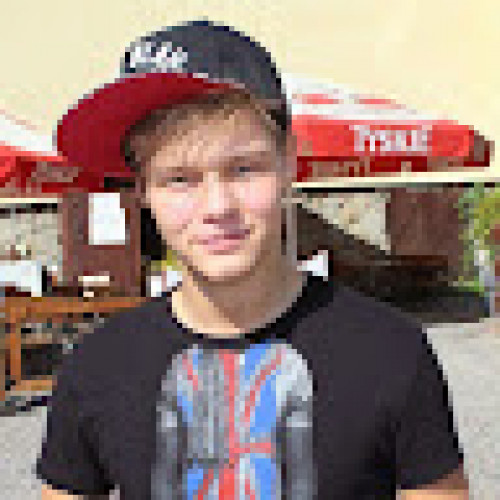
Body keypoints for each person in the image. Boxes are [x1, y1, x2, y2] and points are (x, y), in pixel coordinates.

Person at [37, 20, 469, 499]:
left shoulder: (390, 352)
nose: (217, 207)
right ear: (142, 190)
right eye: (179, 179)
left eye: (244, 169)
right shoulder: (97, 367)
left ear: (288, 162)